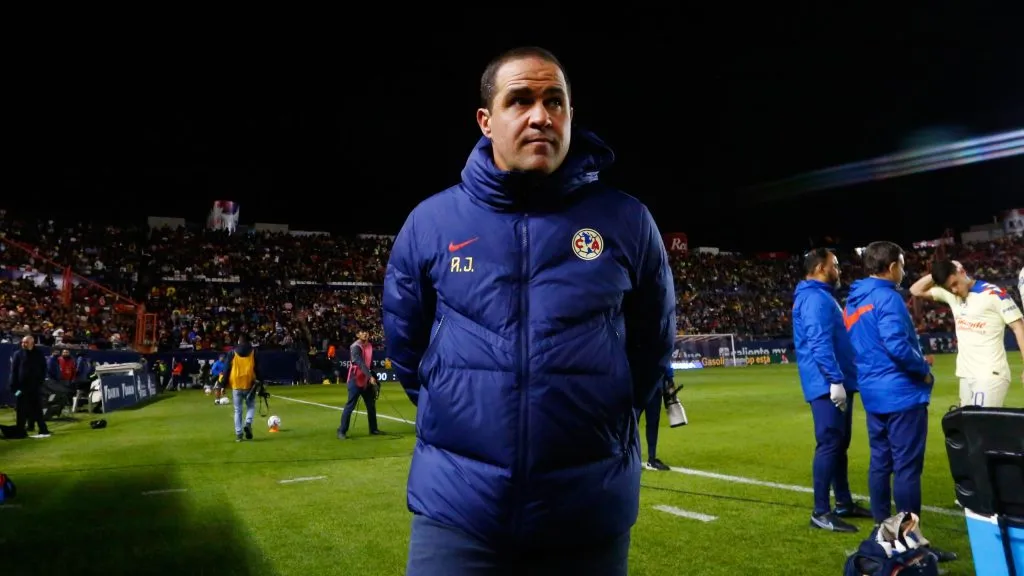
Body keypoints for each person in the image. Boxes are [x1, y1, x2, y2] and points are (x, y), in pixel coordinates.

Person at [382, 46, 675, 575]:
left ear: (569, 115)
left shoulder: (627, 221)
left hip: (588, 510)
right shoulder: (431, 223)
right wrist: (457, 409)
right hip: (457, 509)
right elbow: (408, 348)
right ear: (486, 120)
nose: (540, 115)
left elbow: (652, 344)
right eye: (520, 100)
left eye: (554, 101)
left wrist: (606, 424)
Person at [844, 241, 956, 562]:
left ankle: (883, 535)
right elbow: (896, 344)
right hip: (900, 393)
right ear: (892, 266)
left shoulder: (853, 301)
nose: (903, 271)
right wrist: (923, 371)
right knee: (906, 468)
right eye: (902, 265)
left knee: (881, 463)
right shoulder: (887, 298)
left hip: (873, 393)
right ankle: (908, 541)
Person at [792, 248, 870, 533]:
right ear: (821, 268)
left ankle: (844, 503)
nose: (839, 270)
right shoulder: (814, 298)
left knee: (839, 444)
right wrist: (834, 379)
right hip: (827, 384)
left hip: (835, 382)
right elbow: (819, 341)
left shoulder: (820, 297)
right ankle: (820, 512)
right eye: (835, 265)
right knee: (829, 443)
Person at [909, 259, 1024, 407]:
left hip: (990, 375)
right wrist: (940, 271)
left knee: (979, 427)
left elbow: (1019, 327)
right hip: (965, 375)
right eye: (950, 288)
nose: (954, 290)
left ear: (962, 272)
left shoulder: (993, 294)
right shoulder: (951, 295)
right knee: (969, 428)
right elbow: (915, 290)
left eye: (955, 284)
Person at [337, 329, 381, 439]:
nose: (365, 333)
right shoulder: (355, 346)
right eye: (362, 332)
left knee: (371, 405)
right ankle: (341, 431)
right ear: (357, 334)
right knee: (350, 406)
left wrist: (374, 377)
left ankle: (373, 429)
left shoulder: (370, 346)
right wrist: (370, 376)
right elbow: (360, 363)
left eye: (366, 332)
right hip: (355, 379)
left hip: (366, 380)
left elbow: (369, 365)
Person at [9, 335, 51, 438]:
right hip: (20, 388)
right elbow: (14, 371)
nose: (23, 344)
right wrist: (13, 387)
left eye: (26, 342)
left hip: (35, 387)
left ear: (32, 343)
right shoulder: (17, 354)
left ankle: (43, 429)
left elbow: (43, 369)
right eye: (23, 342)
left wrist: (40, 382)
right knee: (21, 410)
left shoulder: (39, 354)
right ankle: (20, 431)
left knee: (37, 409)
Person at [220, 334, 259, 442]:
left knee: (238, 410)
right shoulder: (253, 352)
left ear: (239, 341)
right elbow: (258, 368)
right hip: (249, 383)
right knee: (250, 406)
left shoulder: (232, 352)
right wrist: (260, 381)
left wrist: (222, 385)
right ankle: (248, 422)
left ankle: (239, 434)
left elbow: (226, 369)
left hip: (236, 384)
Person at [637, 367, 673, 471]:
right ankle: (647, 459)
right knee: (646, 423)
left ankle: (650, 460)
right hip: (645, 384)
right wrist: (670, 378)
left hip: (651, 384)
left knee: (649, 422)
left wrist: (669, 379)